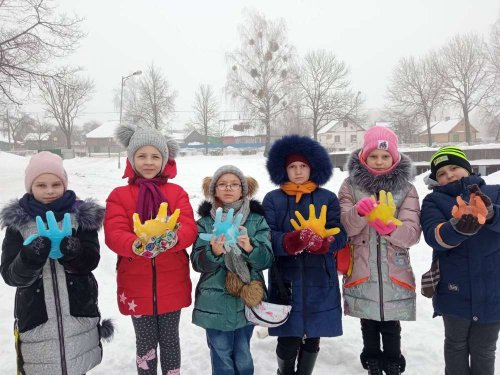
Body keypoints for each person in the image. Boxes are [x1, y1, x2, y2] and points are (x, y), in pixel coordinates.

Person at [0, 151, 112, 375]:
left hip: (78, 319)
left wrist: (70, 249)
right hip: (37, 321)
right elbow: (10, 275)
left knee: (77, 366)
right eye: (41, 185)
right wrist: (30, 257)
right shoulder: (17, 224)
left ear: (65, 184)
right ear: (30, 187)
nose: (49, 190)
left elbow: (90, 261)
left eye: (56, 184)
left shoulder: (81, 217)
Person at [104, 124, 197, 375]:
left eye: (155, 156)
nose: (148, 162)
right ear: (131, 158)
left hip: (172, 282)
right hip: (136, 286)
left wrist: (172, 240)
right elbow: (114, 232)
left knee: (170, 342)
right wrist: (134, 245)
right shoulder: (119, 195)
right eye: (142, 156)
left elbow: (188, 226)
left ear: (165, 159)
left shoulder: (176, 193)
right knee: (145, 345)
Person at [338, 126, 420, 375]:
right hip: (362, 263)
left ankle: (393, 358)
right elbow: (345, 227)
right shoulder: (350, 187)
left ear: (394, 158)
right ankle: (371, 355)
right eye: (373, 155)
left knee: (391, 319)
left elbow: (412, 234)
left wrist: (390, 229)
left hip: (393, 265)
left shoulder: (406, 190)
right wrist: (359, 213)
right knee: (369, 318)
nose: (379, 161)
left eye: (385, 156)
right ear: (363, 156)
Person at [262, 135, 347, 375]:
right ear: (283, 169)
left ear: (313, 167)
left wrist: (326, 243)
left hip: (320, 277)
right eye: (292, 166)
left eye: (303, 166)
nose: (298, 171)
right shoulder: (273, 199)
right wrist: (290, 241)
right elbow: (267, 235)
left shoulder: (327, 198)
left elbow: (340, 233)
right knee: (288, 337)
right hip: (285, 279)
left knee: (312, 337)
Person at [420, 146, 500, 375]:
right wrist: (457, 228)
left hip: (492, 291)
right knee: (455, 345)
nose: (449, 175)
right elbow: (434, 236)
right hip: (454, 291)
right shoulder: (434, 201)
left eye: (454, 167)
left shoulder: (494, 192)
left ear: (467, 167)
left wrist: (491, 213)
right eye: (441, 173)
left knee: (485, 349)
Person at [191, 165, 273, 375]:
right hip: (214, 301)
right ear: (214, 189)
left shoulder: (256, 221)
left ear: (243, 190)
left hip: (247, 298)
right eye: (222, 184)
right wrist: (214, 253)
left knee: (243, 352)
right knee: (220, 353)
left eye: (234, 184)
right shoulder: (205, 223)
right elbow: (197, 263)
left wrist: (250, 248)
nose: (229, 188)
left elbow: (266, 260)